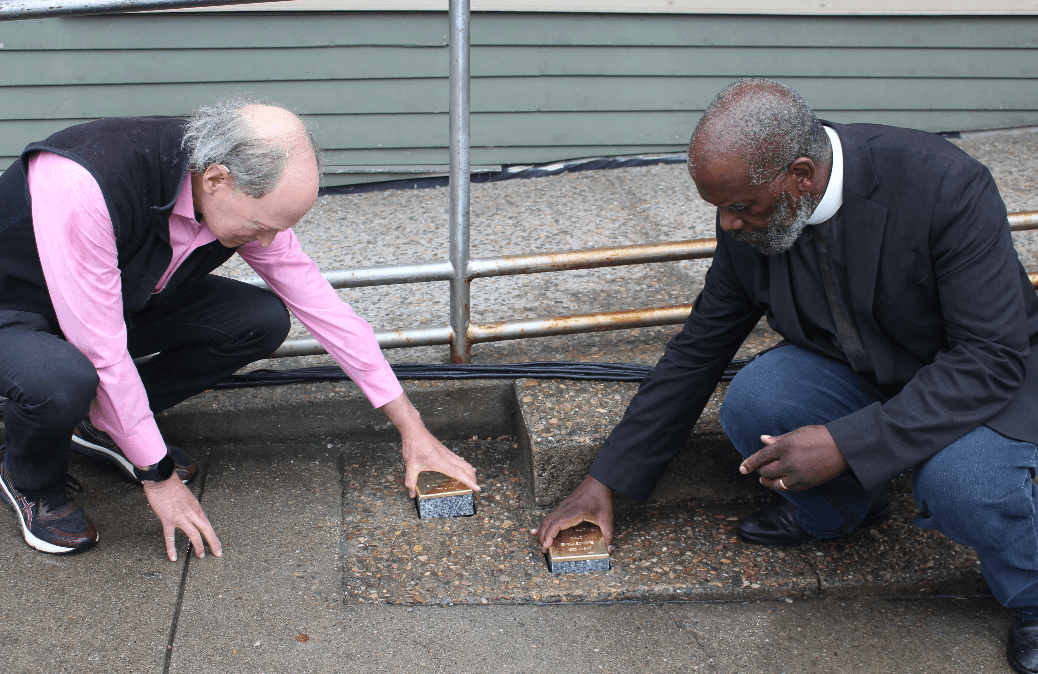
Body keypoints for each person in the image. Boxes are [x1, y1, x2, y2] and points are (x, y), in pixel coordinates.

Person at [532, 78, 1038, 674]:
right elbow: (698, 352)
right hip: (865, 370)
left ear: (801, 174)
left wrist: (847, 442)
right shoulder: (757, 216)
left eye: (739, 206)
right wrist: (604, 480)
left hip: (983, 379)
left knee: (964, 484)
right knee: (756, 399)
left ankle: (1030, 594)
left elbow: (989, 356)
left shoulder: (942, 182)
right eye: (719, 208)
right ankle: (844, 508)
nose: (727, 225)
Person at [0, 96, 479, 562]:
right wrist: (159, 478)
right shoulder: (86, 182)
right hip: (15, 312)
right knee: (61, 379)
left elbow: (325, 310)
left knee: (259, 321)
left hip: (117, 300)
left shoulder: (232, 185)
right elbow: (100, 349)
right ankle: (30, 480)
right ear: (216, 179)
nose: (268, 242)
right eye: (259, 226)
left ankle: (102, 423)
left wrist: (412, 428)